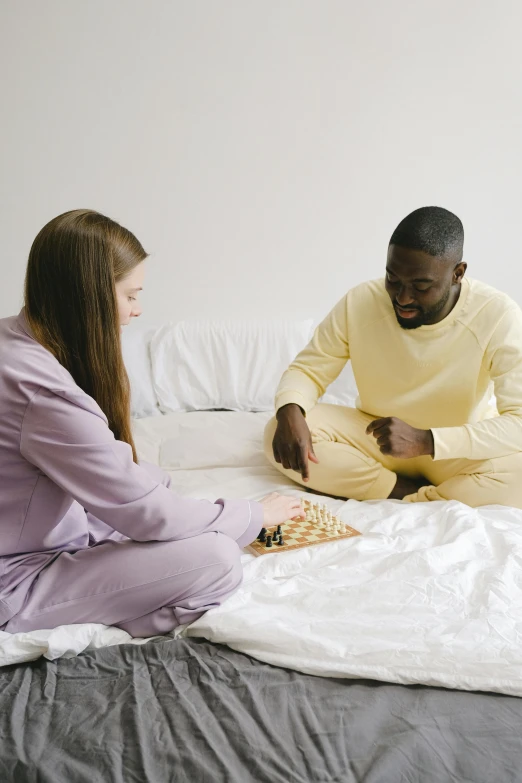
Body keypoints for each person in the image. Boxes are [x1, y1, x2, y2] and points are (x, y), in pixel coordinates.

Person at [0, 209, 303, 638]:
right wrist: (253, 514)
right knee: (217, 557)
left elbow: (126, 485)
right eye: (130, 295)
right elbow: (147, 515)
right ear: (89, 295)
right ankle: (115, 628)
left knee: (158, 482)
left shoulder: (11, 341)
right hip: (13, 584)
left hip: (35, 540)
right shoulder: (43, 394)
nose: (137, 311)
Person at [265, 206, 522, 508]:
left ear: (457, 274)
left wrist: (427, 441)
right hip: (377, 437)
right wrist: (290, 409)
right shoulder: (360, 301)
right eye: (393, 279)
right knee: (278, 432)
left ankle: (424, 497)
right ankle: (399, 490)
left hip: (457, 446)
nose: (402, 298)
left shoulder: (497, 313)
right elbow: (309, 370)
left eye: (420, 286)